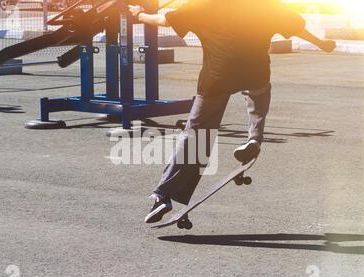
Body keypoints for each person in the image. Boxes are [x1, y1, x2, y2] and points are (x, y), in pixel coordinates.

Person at [128, 0, 337, 223]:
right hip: (255, 71)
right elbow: (297, 27)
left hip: (216, 77)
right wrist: (322, 43)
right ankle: (254, 138)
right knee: (259, 95)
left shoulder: (202, 5)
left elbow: (164, 20)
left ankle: (164, 195)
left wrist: (140, 15)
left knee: (196, 134)